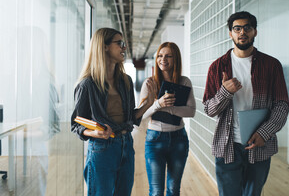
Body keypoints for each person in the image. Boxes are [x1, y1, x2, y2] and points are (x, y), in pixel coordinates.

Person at [202, 11, 289, 196]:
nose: (242, 32)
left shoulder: (271, 65)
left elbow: (281, 105)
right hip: (227, 145)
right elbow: (209, 109)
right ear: (230, 33)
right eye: (237, 28)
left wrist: (264, 133)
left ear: (255, 32)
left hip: (260, 144)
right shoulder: (217, 67)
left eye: (247, 28)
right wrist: (225, 92)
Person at [70, 28, 156, 196]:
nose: (124, 48)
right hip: (102, 149)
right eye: (120, 43)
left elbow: (130, 117)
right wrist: (93, 133)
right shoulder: (87, 85)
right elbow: (76, 123)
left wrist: (148, 105)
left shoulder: (126, 81)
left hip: (126, 145)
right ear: (104, 47)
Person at [139, 42, 196, 196]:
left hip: (179, 139)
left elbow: (191, 111)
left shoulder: (184, 82)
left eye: (168, 56)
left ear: (175, 59)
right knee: (156, 191)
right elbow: (141, 116)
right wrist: (158, 104)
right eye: (160, 55)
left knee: (173, 189)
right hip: (155, 139)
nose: (163, 59)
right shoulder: (150, 83)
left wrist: (168, 108)